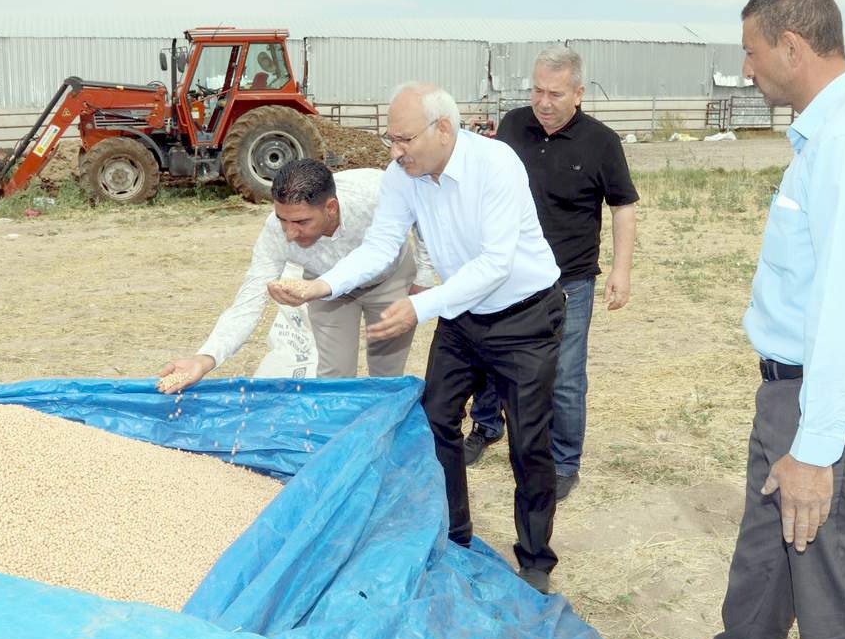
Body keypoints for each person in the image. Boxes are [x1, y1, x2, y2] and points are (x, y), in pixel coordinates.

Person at [635, 0, 845, 639]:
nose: (748, 68)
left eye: (752, 51)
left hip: (837, 411)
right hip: (795, 400)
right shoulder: (827, 137)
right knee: (759, 587)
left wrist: (817, 448)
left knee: (842, 628)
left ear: (791, 47)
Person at [267, 83, 565, 593]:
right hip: (462, 315)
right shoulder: (402, 176)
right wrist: (322, 284)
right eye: (390, 139)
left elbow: (496, 264)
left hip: (525, 319)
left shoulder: (497, 165)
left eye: (403, 139)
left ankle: (536, 559)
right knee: (435, 420)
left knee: (529, 441)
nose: (394, 150)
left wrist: (419, 307)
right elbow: (382, 244)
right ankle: (454, 535)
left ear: (443, 129)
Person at [465, 45, 639, 505]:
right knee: (487, 355)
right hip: (506, 269)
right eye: (537, 90)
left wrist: (621, 270)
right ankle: (486, 425)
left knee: (563, 373)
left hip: (570, 280)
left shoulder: (602, 142)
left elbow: (623, 206)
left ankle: (564, 462)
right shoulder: (511, 127)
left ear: (579, 94)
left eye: (556, 94)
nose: (544, 101)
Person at [158, 160, 434, 387]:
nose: (290, 233)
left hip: (388, 280)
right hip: (325, 292)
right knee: (333, 376)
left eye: (301, 222)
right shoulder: (275, 233)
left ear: (331, 208)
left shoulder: (375, 194)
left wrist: (423, 276)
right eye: (283, 220)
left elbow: (422, 219)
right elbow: (248, 302)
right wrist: (204, 359)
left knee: (386, 372)